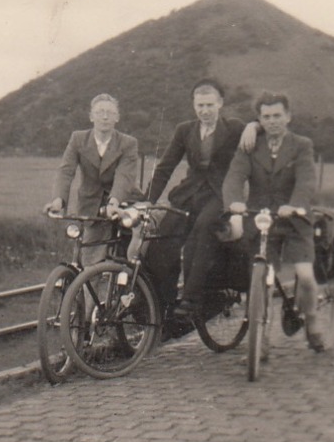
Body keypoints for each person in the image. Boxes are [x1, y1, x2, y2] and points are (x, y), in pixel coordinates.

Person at [222, 90, 324, 351]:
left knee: (305, 275)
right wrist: (234, 201)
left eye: (277, 115)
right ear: (260, 119)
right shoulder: (250, 145)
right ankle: (260, 341)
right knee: (261, 276)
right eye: (266, 116)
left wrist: (296, 204)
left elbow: (306, 181)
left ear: (288, 117)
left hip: (294, 220)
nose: (272, 121)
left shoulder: (302, 145)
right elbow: (234, 177)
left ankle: (312, 320)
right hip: (262, 220)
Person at [145, 79, 249, 318]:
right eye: (200, 105)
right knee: (163, 237)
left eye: (210, 105)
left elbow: (262, 129)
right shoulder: (185, 130)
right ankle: (161, 305)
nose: (204, 111)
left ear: (220, 103)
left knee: (201, 231)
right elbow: (165, 166)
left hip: (220, 195)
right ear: (193, 105)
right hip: (190, 193)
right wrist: (148, 199)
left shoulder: (234, 128)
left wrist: (253, 126)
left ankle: (191, 300)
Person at [44, 93, 139, 260]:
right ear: (91, 117)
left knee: (125, 255)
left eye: (110, 113)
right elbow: (66, 171)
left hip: (121, 204)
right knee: (86, 257)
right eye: (100, 112)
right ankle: (85, 284)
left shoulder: (127, 143)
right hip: (90, 205)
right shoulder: (78, 139)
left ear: (117, 117)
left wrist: (114, 201)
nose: (104, 117)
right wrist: (58, 200)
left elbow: (124, 176)